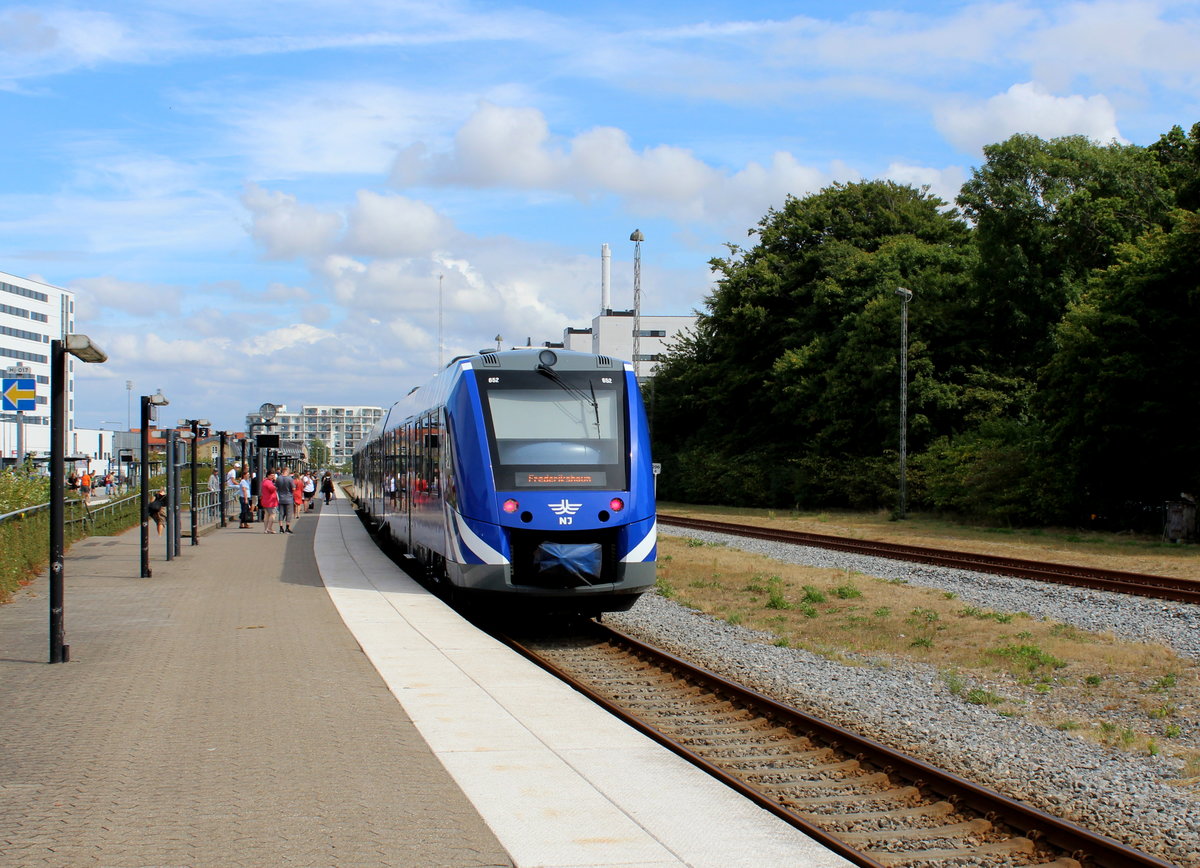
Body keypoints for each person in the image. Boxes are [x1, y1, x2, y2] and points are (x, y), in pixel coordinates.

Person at [275, 467, 295, 534]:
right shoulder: (290, 479)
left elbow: (276, 487)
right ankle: (287, 528)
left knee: (281, 513)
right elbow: (293, 488)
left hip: (281, 498)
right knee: (288, 513)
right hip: (289, 498)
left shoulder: (278, 478)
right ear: (287, 471)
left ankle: (281, 528)